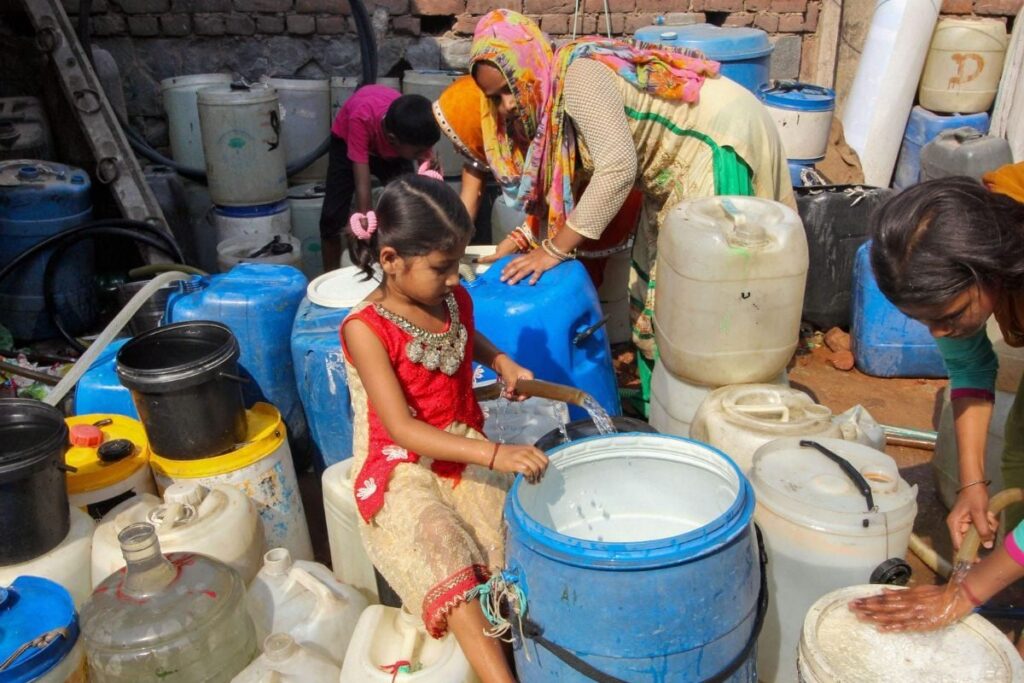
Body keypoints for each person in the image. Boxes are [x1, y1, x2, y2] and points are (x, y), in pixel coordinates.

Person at [468, 10, 793, 372]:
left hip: (715, 141)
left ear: (526, 66)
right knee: (661, 286)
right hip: (671, 163)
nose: (507, 106)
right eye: (494, 99)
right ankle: (670, 404)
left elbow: (617, 168)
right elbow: (566, 188)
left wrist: (553, 250)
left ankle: (718, 396)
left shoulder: (578, 79)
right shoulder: (553, 105)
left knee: (703, 297)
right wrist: (522, 238)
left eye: (508, 91)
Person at [340, 173, 549, 682]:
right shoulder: (365, 330)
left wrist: (501, 361)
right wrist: (496, 455)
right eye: (441, 267)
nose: (455, 278)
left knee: (512, 535)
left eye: (457, 263)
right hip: (400, 463)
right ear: (390, 260)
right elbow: (403, 429)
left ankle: (530, 648)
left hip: (461, 441)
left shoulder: (450, 299)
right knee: (444, 547)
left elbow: (466, 335)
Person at [851, 165, 1024, 632]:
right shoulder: (972, 231)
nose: (939, 333)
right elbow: (969, 366)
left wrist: (965, 593)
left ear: (988, 271)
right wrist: (972, 485)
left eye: (948, 315)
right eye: (925, 321)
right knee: (1019, 458)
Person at [319, 85, 440, 271]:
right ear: (392, 140)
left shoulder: (413, 126)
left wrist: (430, 167)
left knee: (405, 205)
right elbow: (361, 177)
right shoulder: (361, 117)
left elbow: (424, 168)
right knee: (331, 217)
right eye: (419, 152)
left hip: (398, 147)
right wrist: (365, 222)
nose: (425, 154)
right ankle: (330, 273)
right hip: (347, 142)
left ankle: (408, 265)